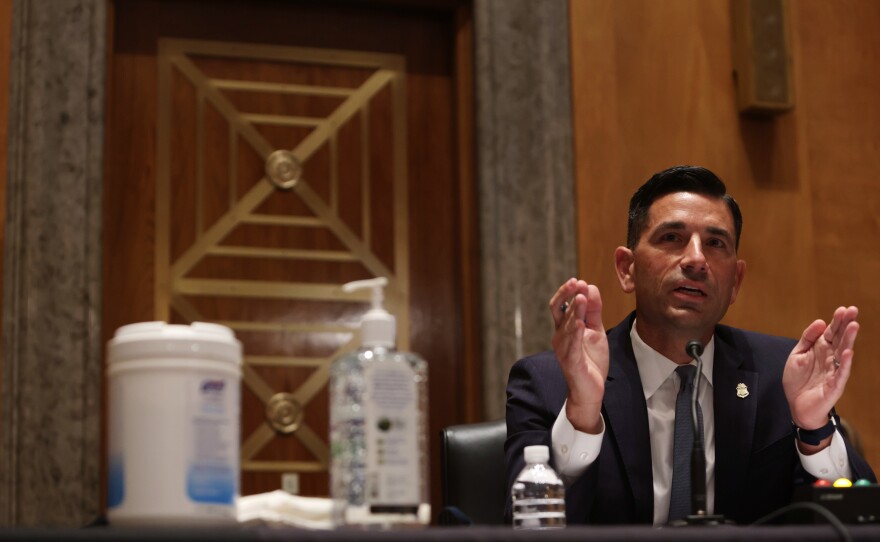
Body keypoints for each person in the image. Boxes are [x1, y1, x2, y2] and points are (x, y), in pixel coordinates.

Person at [504, 165, 876, 526]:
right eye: (672, 238)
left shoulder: (782, 374)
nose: (696, 259)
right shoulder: (549, 383)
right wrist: (583, 414)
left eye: (715, 243)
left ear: (735, 281)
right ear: (626, 268)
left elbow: (859, 521)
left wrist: (814, 430)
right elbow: (527, 529)